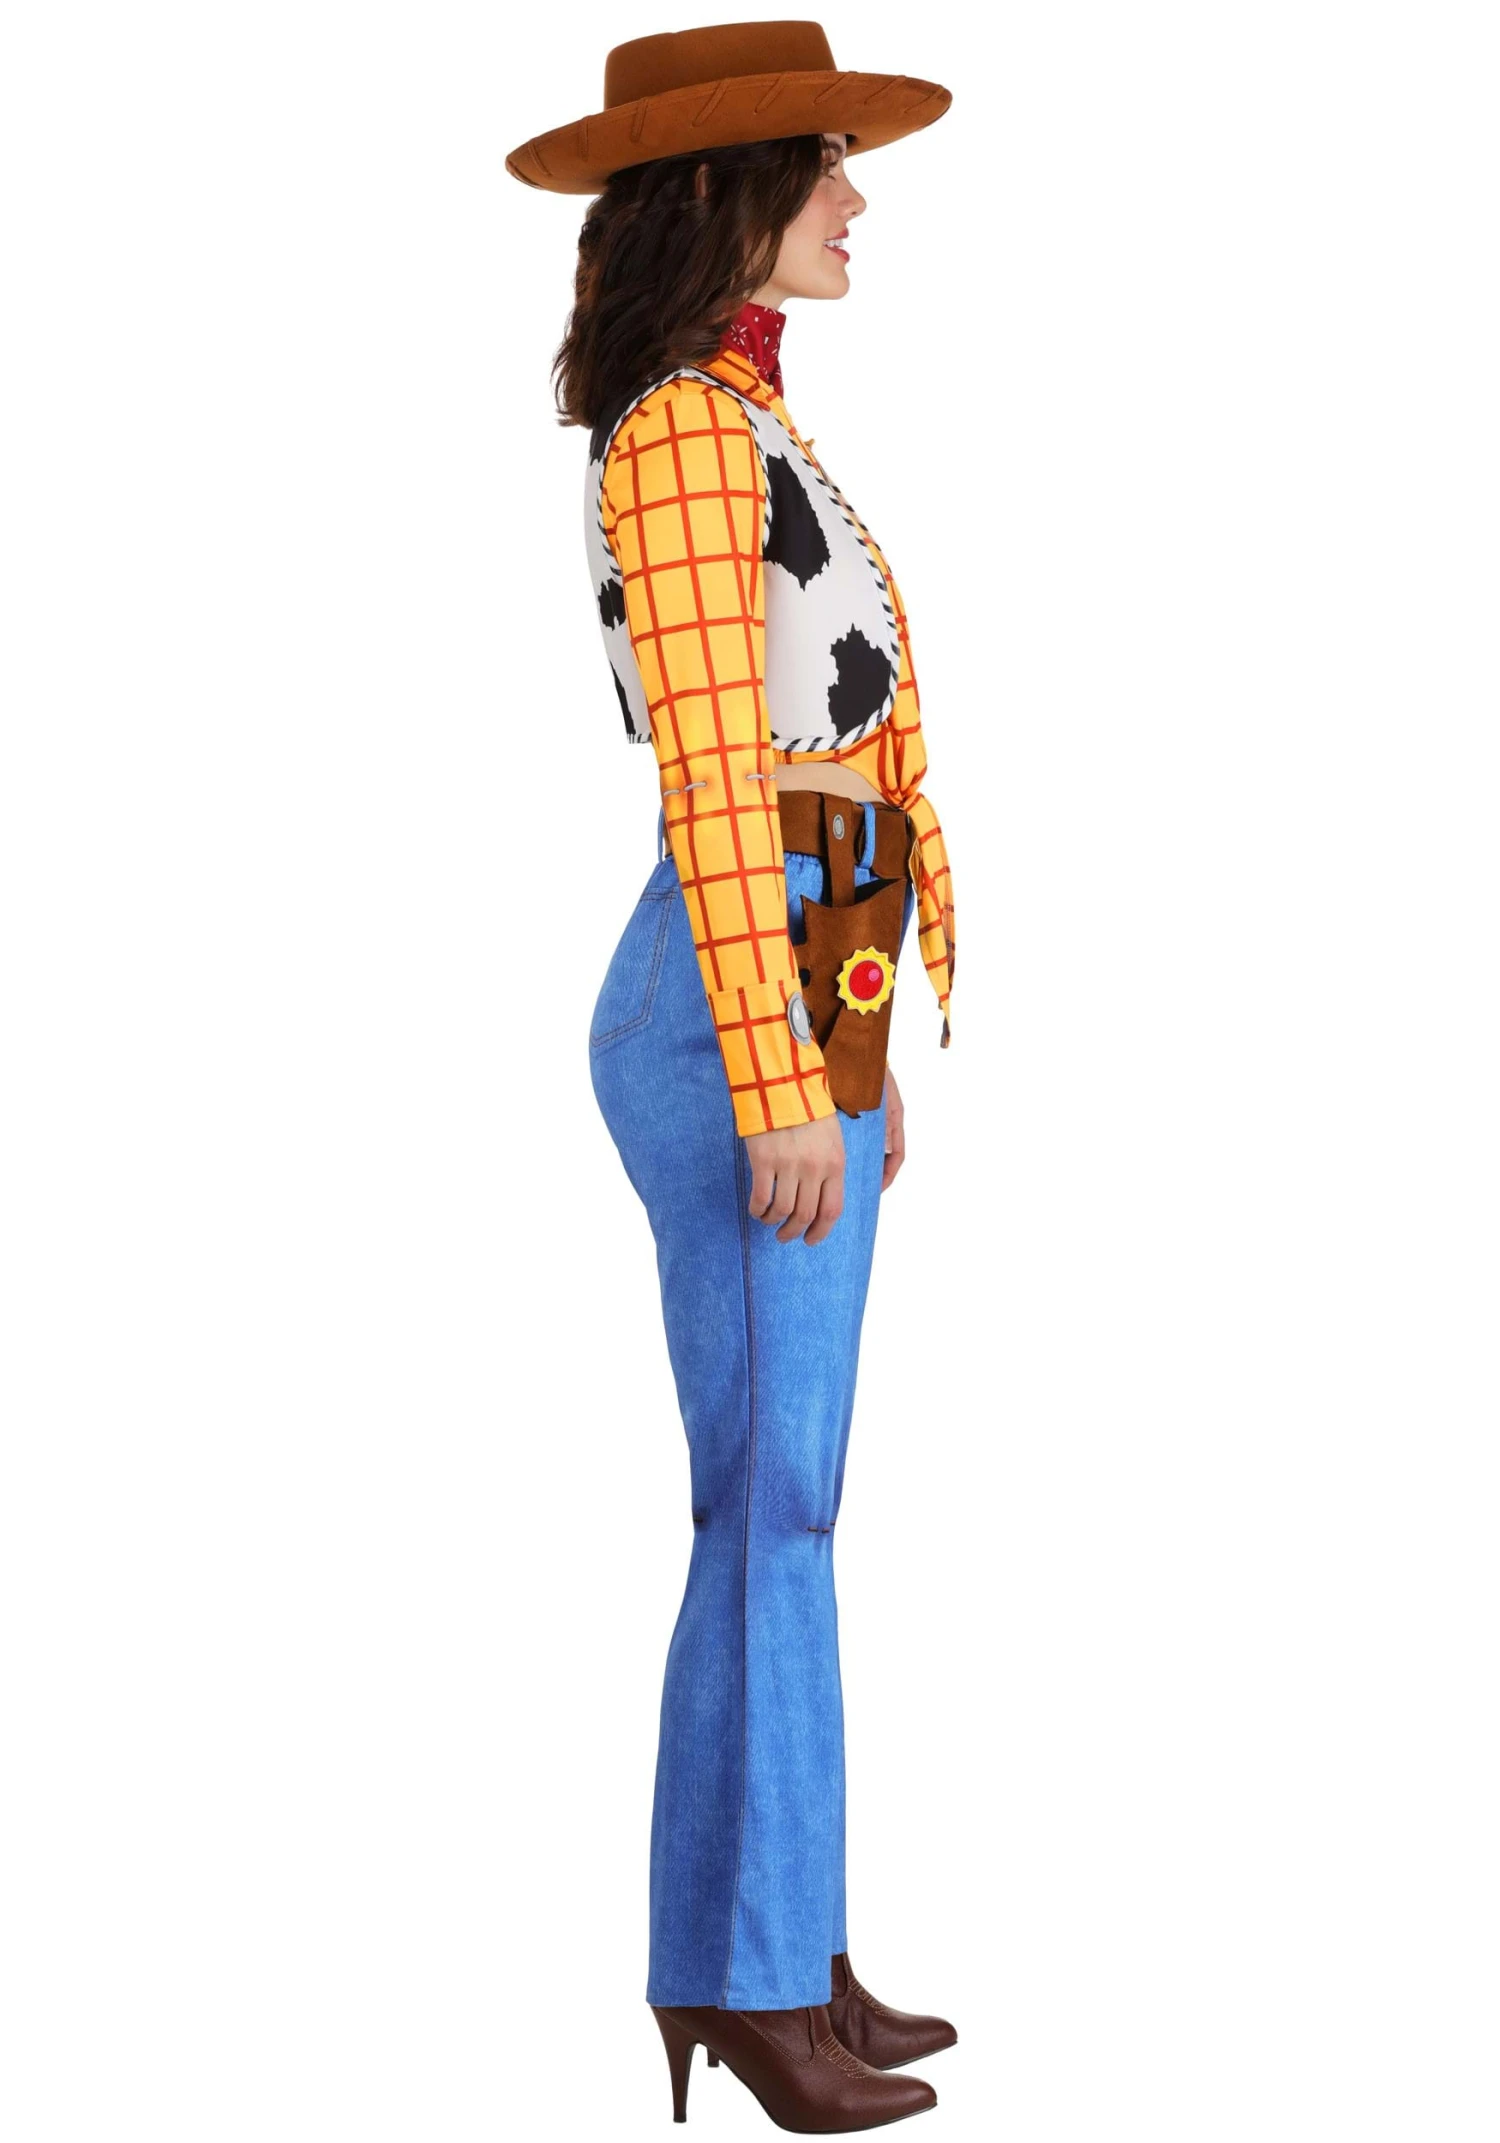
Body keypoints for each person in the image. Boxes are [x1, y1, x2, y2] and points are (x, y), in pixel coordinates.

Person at [508, 23, 959, 2132]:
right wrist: (783, 1072)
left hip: (796, 966)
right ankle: (753, 1979)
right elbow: (716, 773)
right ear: (730, 190)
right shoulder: (689, 436)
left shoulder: (750, 417)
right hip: (733, 978)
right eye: (829, 167)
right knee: (771, 1505)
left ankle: (777, 1942)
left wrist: (860, 1050)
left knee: (787, 1505)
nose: (859, 200)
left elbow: (819, 771)